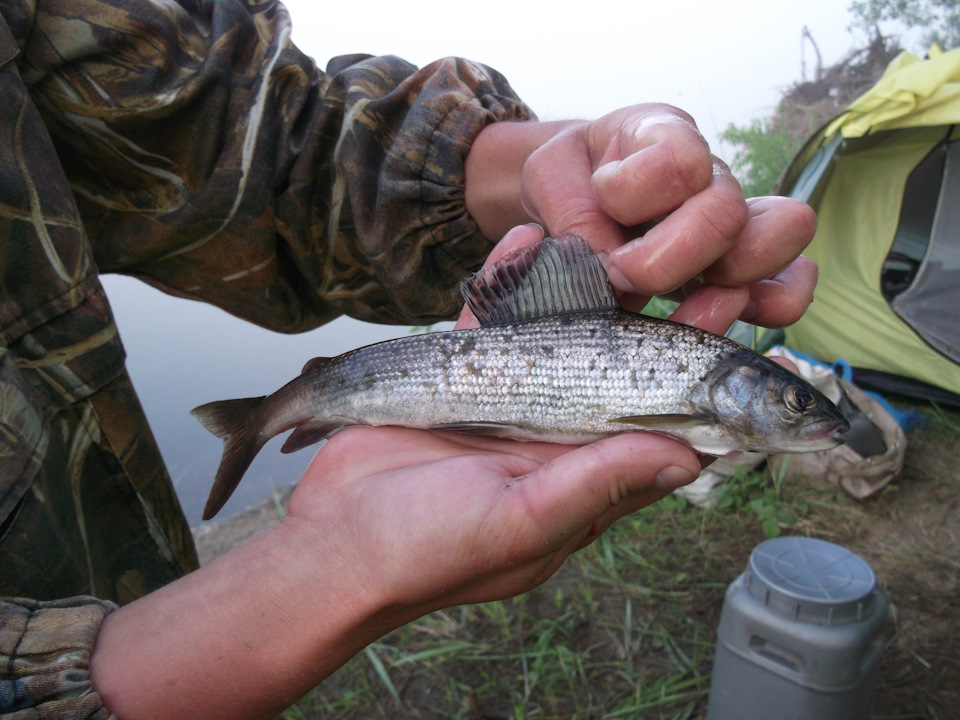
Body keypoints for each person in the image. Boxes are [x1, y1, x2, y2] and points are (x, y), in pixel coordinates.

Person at [0, 0, 818, 717]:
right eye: (794, 404)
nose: (805, 417)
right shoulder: (699, 392)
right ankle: (255, 422)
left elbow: (263, 140)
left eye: (797, 405)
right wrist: (321, 573)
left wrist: (530, 161)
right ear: (738, 393)